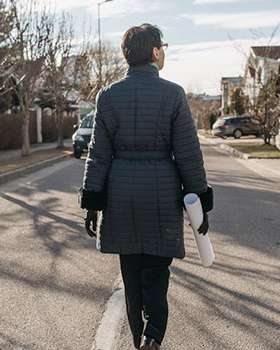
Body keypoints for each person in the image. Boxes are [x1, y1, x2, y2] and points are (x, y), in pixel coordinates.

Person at [78, 23, 213, 350]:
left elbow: (98, 154)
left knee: (131, 277)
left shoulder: (108, 96)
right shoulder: (173, 94)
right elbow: (188, 153)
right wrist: (201, 203)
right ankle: (153, 336)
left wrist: (93, 203)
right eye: (162, 47)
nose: (164, 52)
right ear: (154, 52)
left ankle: (138, 337)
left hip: (120, 197)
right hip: (161, 197)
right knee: (156, 274)